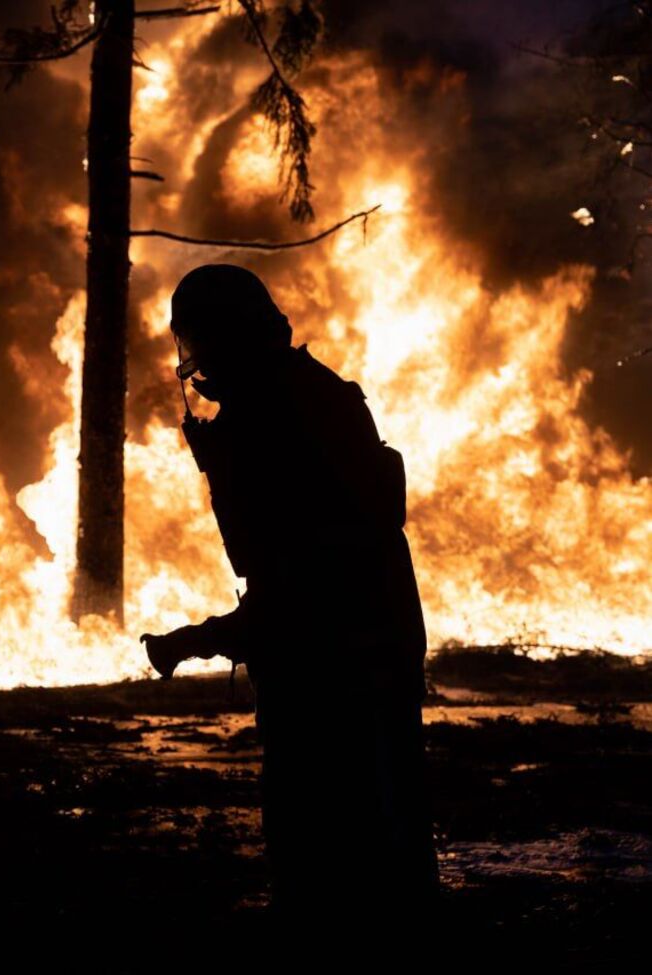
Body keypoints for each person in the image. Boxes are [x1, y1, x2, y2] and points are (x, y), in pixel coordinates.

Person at [139, 264, 439, 946]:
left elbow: (303, 582)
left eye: (202, 343)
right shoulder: (311, 396)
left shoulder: (274, 419)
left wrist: (198, 638)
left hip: (336, 661)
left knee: (331, 841)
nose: (197, 366)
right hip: (369, 644)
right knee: (383, 830)